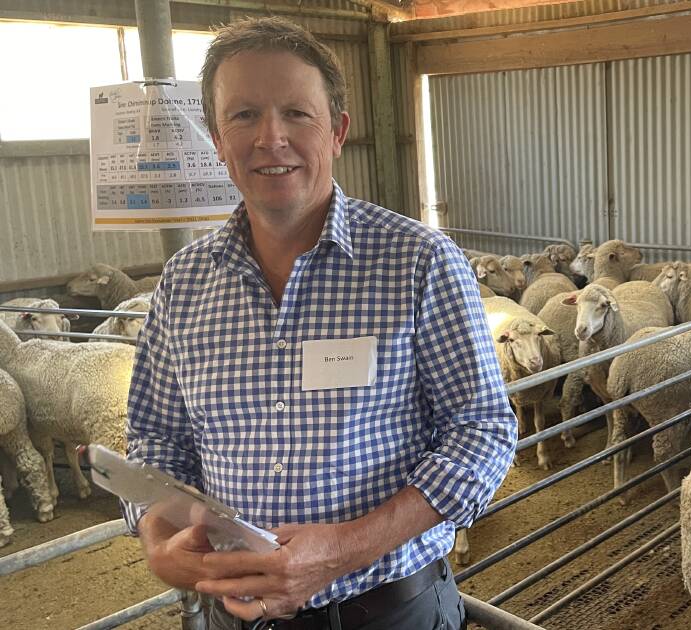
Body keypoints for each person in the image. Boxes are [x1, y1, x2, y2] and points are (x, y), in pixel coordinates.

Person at [121, 16, 516, 630]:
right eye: (244, 115)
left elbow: (481, 431)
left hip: (387, 613)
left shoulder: (418, 263)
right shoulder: (184, 283)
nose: (270, 137)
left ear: (337, 131)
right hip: (235, 616)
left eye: (297, 114)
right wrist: (156, 535)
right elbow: (156, 442)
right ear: (217, 139)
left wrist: (345, 548)